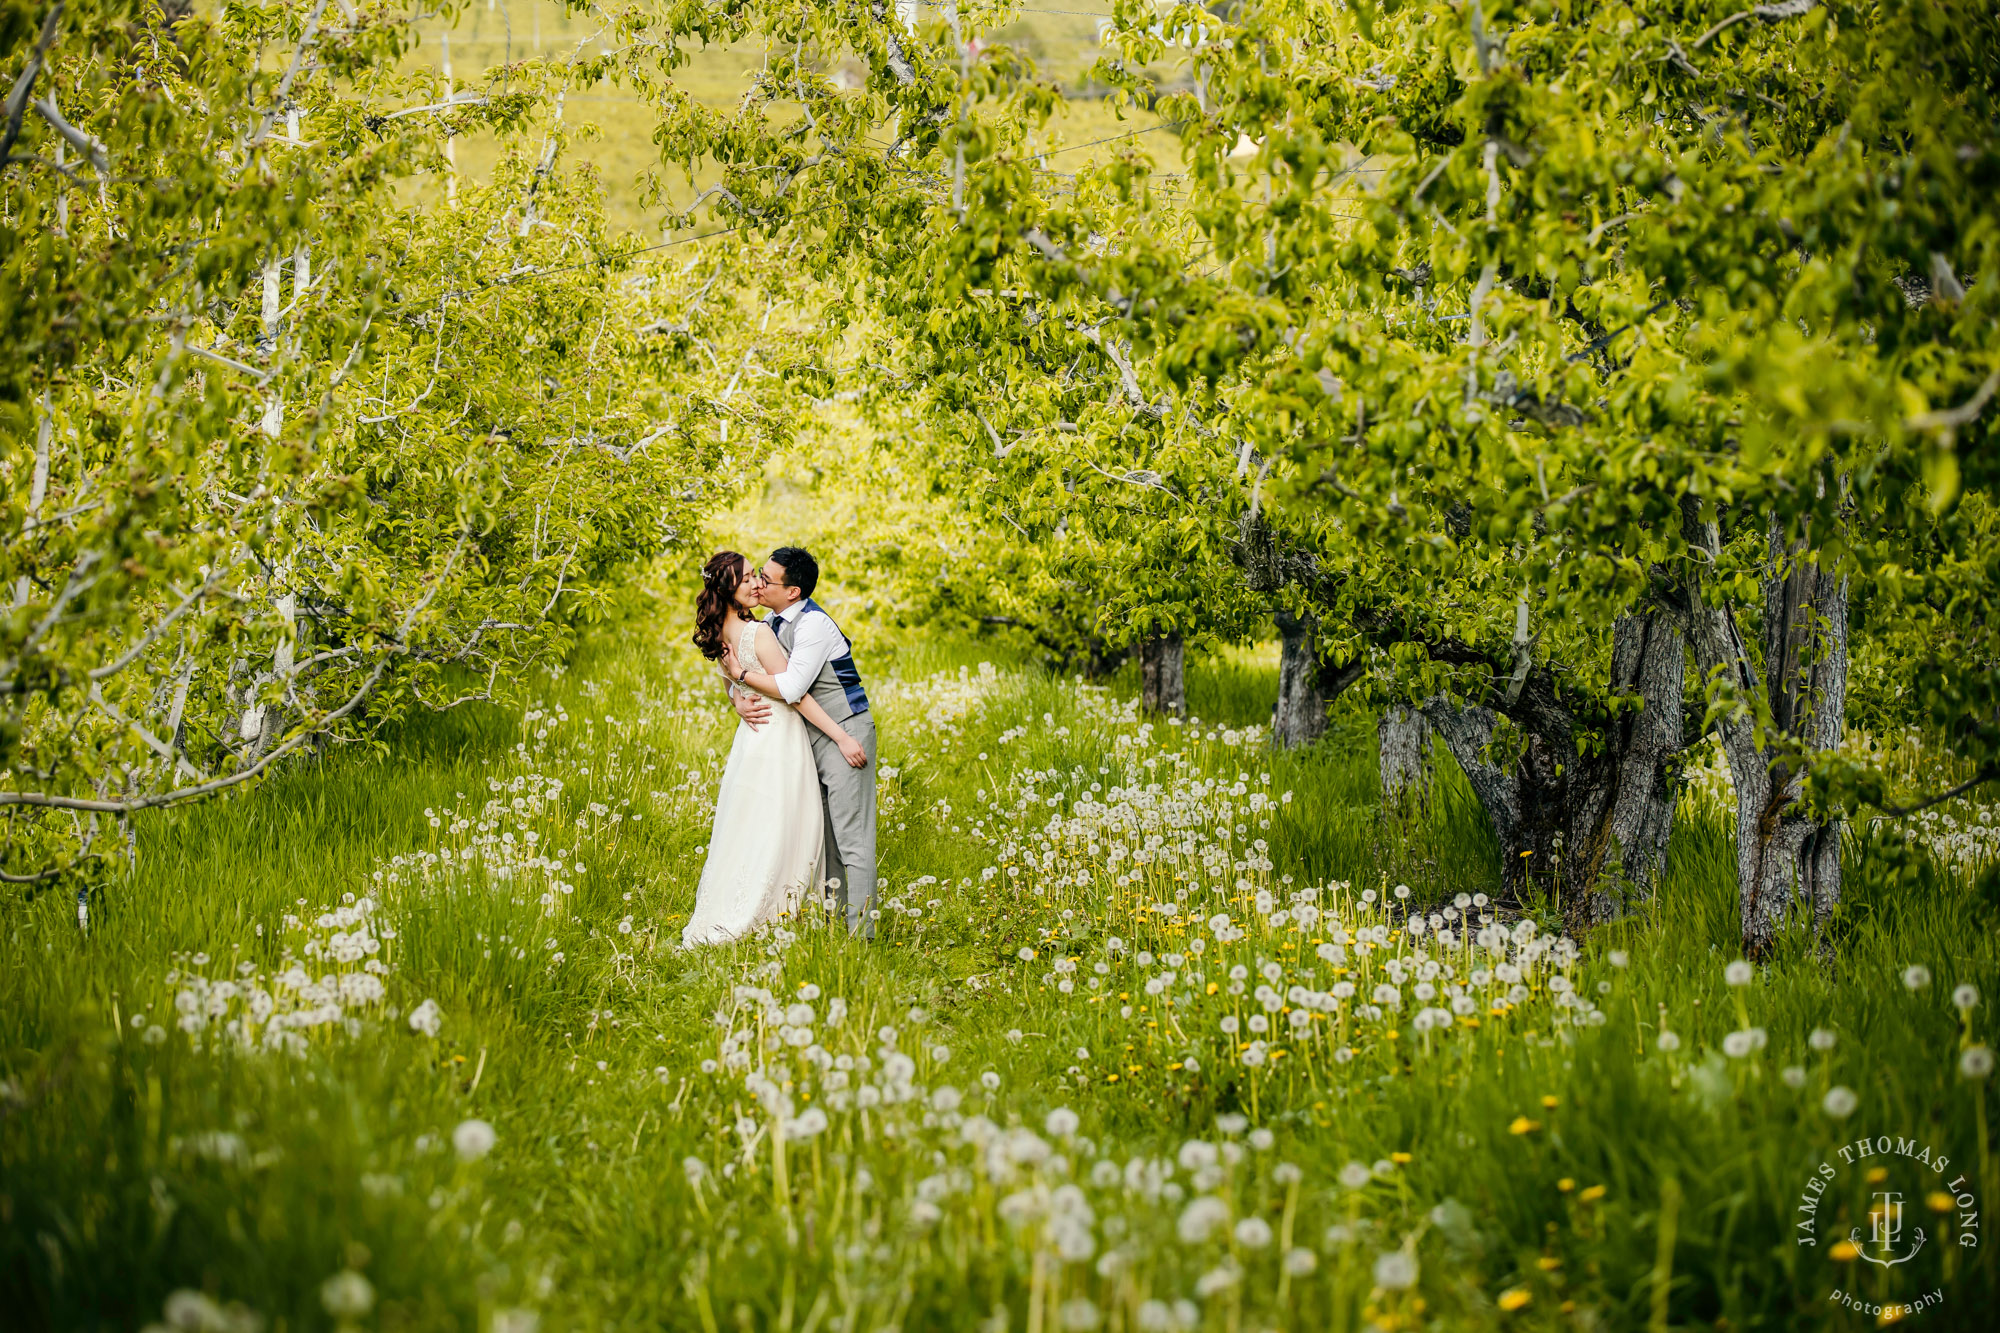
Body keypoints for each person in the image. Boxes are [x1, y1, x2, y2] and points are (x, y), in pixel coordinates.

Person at [681, 551, 865, 947]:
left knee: (750, 823)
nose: (756, 584)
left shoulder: (722, 631)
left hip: (751, 740)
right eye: (748, 578)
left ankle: (754, 903)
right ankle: (776, 909)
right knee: (787, 824)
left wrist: (737, 693)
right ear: (729, 588)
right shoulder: (759, 632)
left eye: (758, 577)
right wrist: (842, 736)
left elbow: (730, 680)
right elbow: (794, 694)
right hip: (779, 736)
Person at [723, 546, 879, 938]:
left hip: (843, 730)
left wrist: (741, 675)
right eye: (758, 573)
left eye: (766, 578)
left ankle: (862, 935)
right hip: (807, 738)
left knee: (852, 837)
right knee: (824, 838)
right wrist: (737, 698)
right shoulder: (770, 623)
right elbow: (735, 668)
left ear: (792, 591)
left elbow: (791, 687)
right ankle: (833, 923)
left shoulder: (813, 625)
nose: (758, 582)